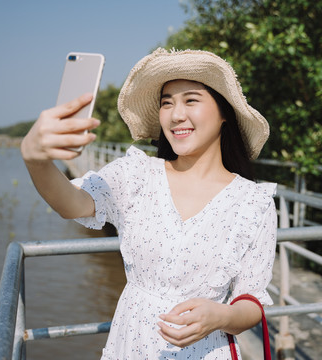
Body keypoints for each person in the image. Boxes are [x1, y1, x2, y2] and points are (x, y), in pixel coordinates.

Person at [21, 48, 277, 359]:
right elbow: (73, 204)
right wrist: (36, 161)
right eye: (166, 102)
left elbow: (250, 300)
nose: (176, 114)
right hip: (131, 346)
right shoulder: (137, 175)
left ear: (225, 113)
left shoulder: (253, 203)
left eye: (191, 100)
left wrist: (221, 317)